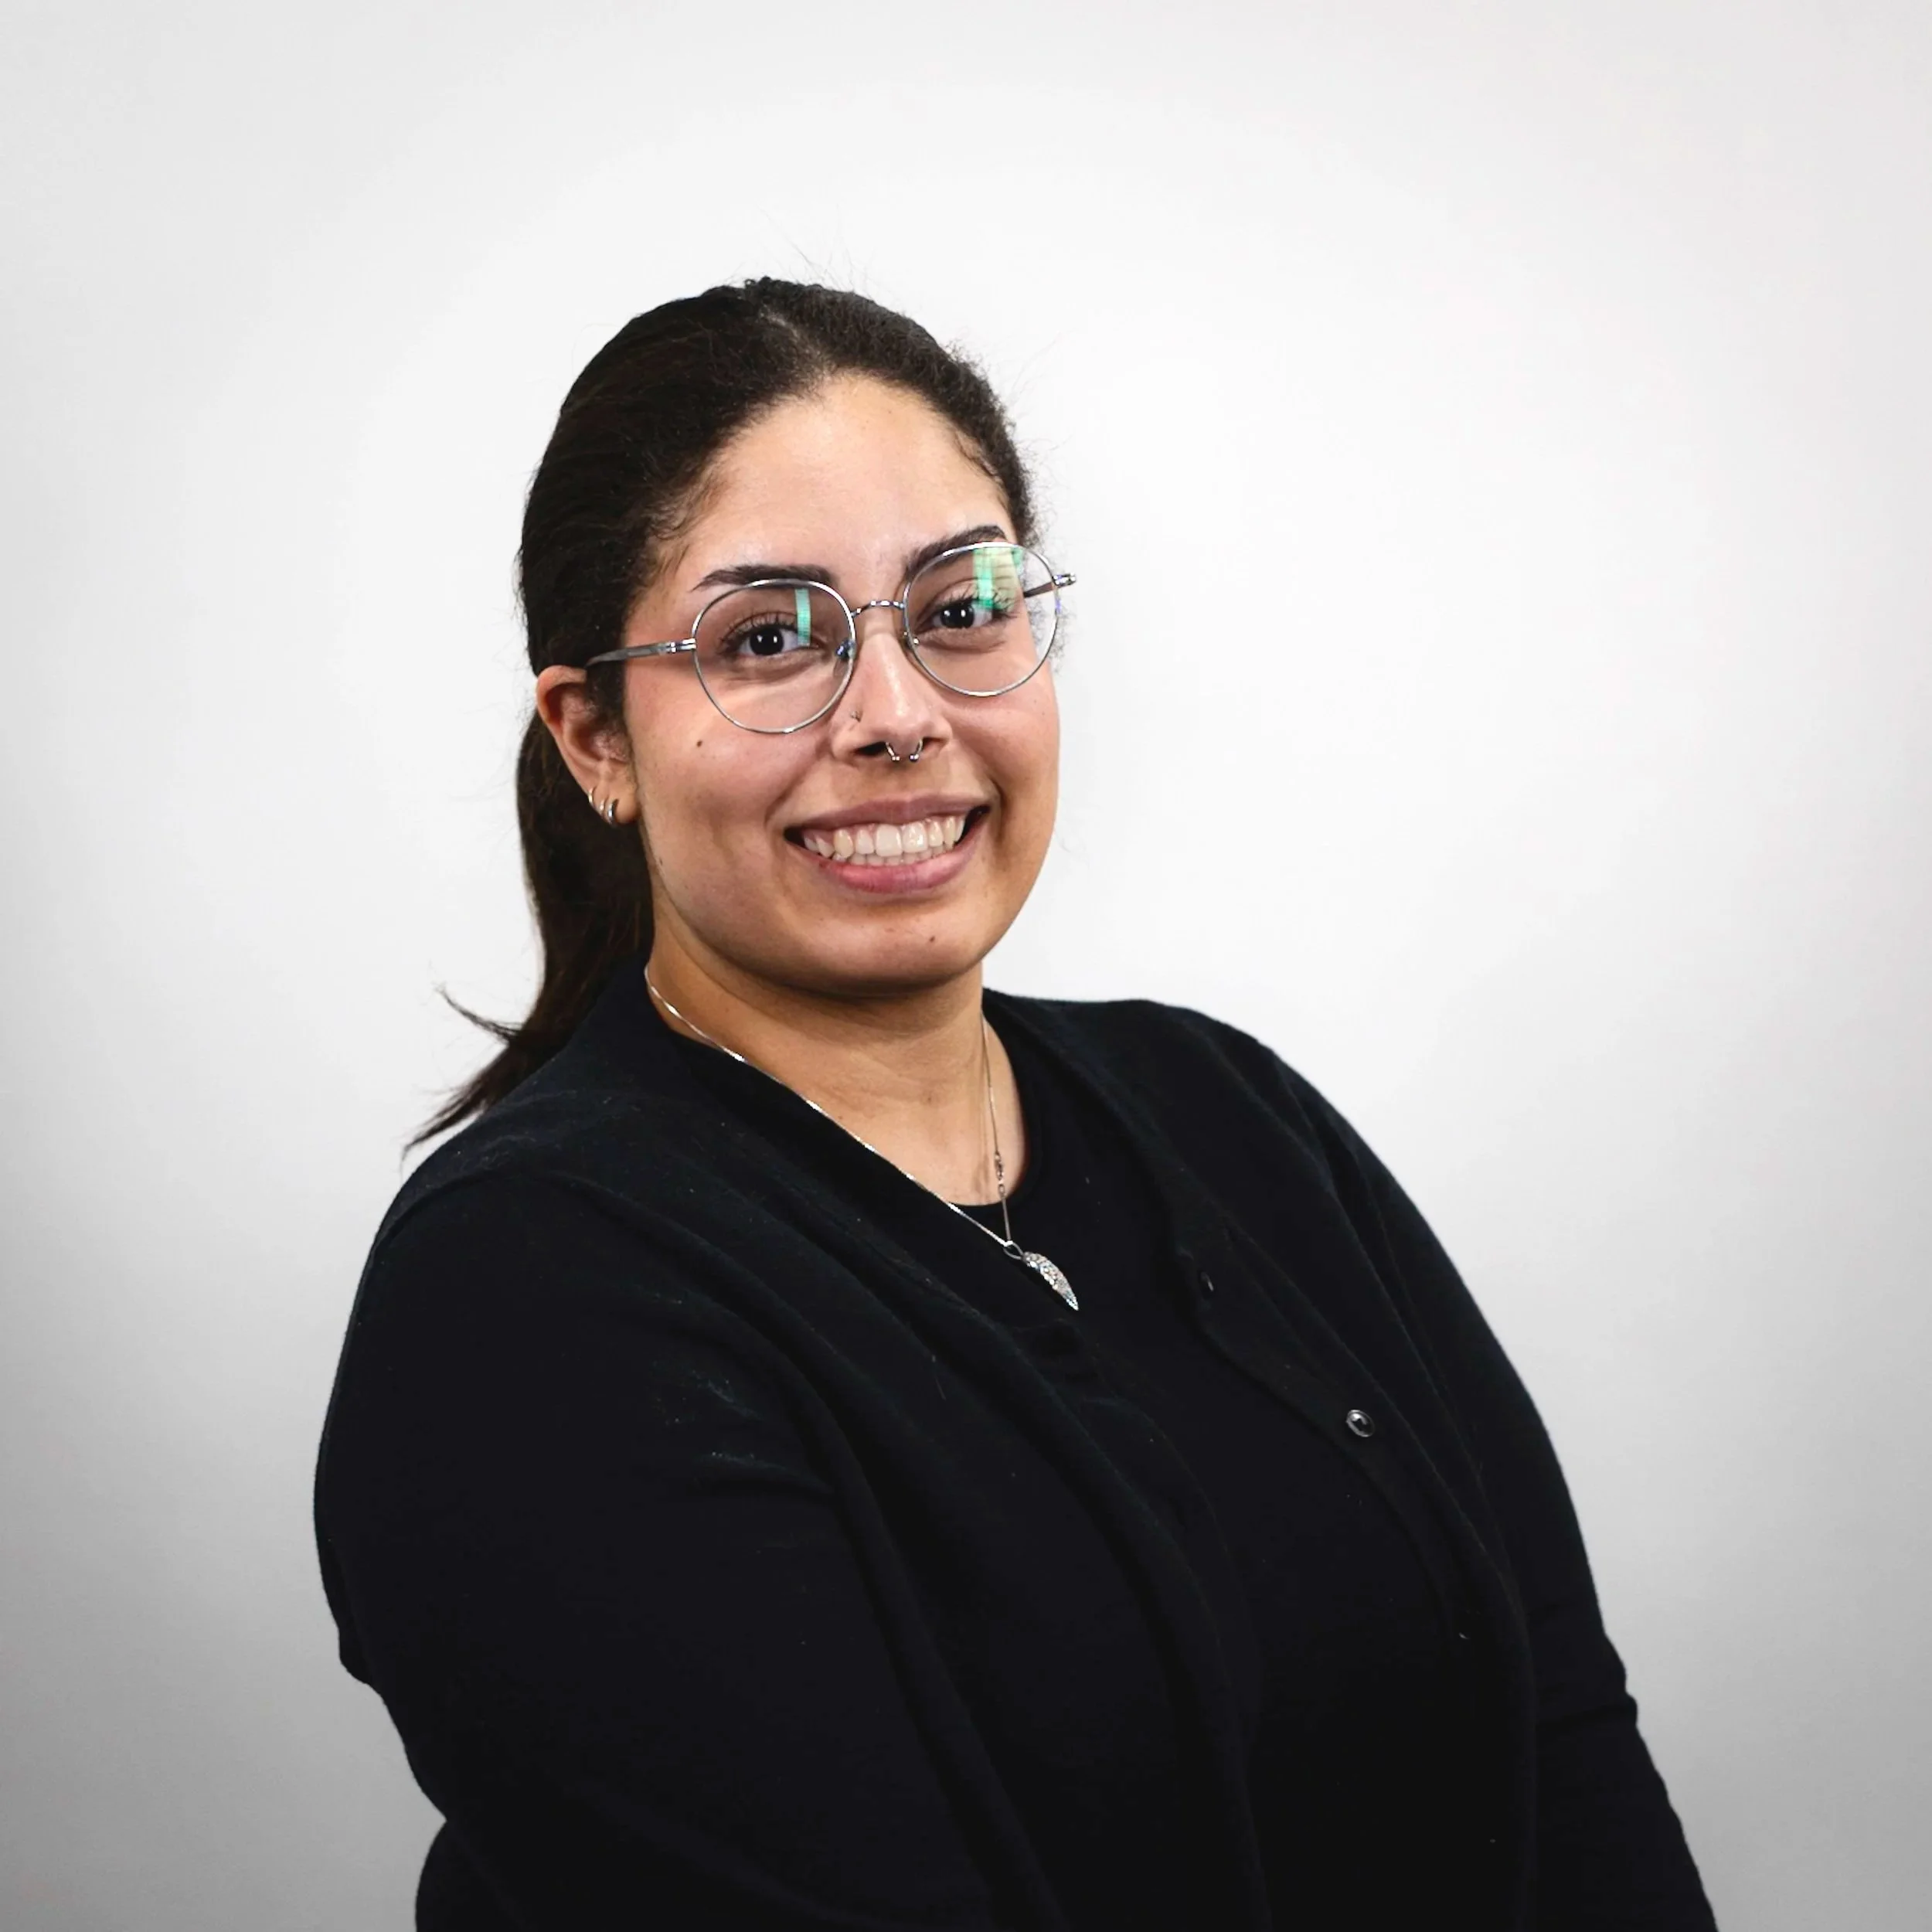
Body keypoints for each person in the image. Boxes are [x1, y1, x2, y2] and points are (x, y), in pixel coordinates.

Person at [314, 279, 1717, 1932]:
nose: (897, 710)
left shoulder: (1225, 1113)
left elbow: (1559, 1739)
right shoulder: (526, 1291)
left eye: (959, 606)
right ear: (596, 738)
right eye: (769, 636)